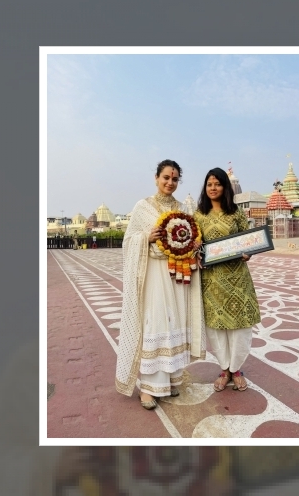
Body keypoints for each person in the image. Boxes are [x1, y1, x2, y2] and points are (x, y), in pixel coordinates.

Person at [114, 159, 206, 410]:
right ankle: (148, 388)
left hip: (176, 275)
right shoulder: (143, 207)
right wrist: (146, 236)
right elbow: (128, 241)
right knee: (155, 323)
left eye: (175, 179)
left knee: (174, 322)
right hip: (153, 274)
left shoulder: (182, 208)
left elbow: (192, 237)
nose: (170, 182)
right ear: (156, 178)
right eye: (166, 177)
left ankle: (170, 380)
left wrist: (194, 244)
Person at [194, 167, 261, 392]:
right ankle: (224, 370)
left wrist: (248, 252)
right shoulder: (199, 215)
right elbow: (195, 244)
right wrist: (197, 253)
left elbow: (249, 241)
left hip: (237, 279)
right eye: (209, 184)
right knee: (217, 327)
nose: (213, 188)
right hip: (212, 280)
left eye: (218, 184)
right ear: (205, 187)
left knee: (240, 327)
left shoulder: (236, 214)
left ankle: (237, 369)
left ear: (225, 187)